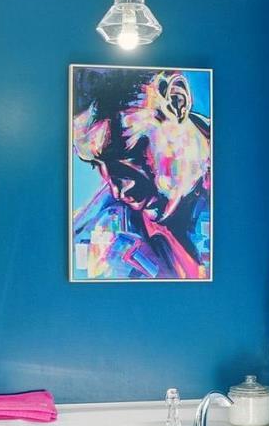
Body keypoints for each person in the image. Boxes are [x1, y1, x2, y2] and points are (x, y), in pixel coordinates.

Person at [71, 68, 212, 280]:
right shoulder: (96, 241)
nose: (118, 190)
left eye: (131, 153)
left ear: (176, 101)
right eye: (95, 165)